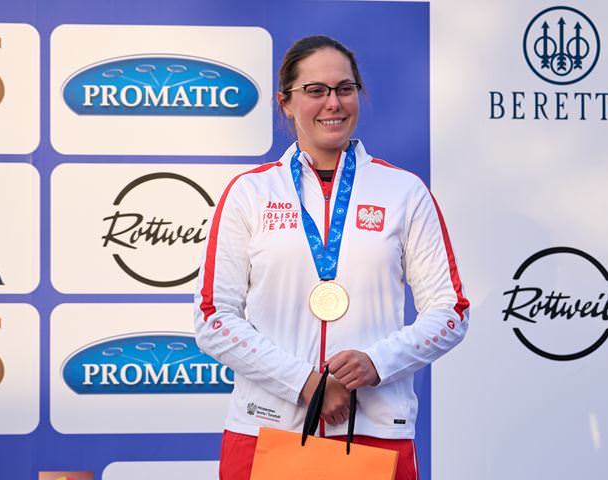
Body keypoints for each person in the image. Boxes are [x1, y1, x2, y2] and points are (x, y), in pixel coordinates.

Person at [194, 35, 469, 480]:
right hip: (266, 430)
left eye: (345, 88)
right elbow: (213, 317)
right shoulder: (250, 193)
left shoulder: (404, 192)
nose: (333, 103)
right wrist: (304, 382)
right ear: (285, 103)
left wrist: (377, 362)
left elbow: (451, 311)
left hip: (374, 432)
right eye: (315, 90)